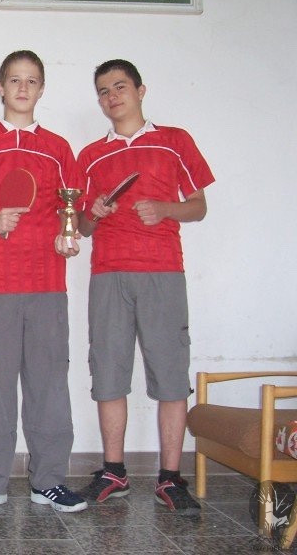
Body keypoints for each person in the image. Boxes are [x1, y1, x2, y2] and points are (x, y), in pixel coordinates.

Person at [0, 50, 87, 515]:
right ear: (1, 88)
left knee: (50, 385)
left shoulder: (59, 149)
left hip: (48, 285)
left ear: (42, 88)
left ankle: (49, 481)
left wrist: (69, 236)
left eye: (31, 81)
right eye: (14, 80)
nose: (23, 88)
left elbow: (72, 212)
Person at [75, 60, 214, 511]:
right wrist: (93, 213)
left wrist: (165, 209)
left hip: (163, 272)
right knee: (108, 375)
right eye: (103, 91)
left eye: (120, 86)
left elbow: (199, 206)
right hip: (107, 274)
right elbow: (81, 227)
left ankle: (170, 478)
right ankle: (114, 471)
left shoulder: (174, 140)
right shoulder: (89, 155)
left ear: (140, 90)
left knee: (170, 377)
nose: (112, 96)